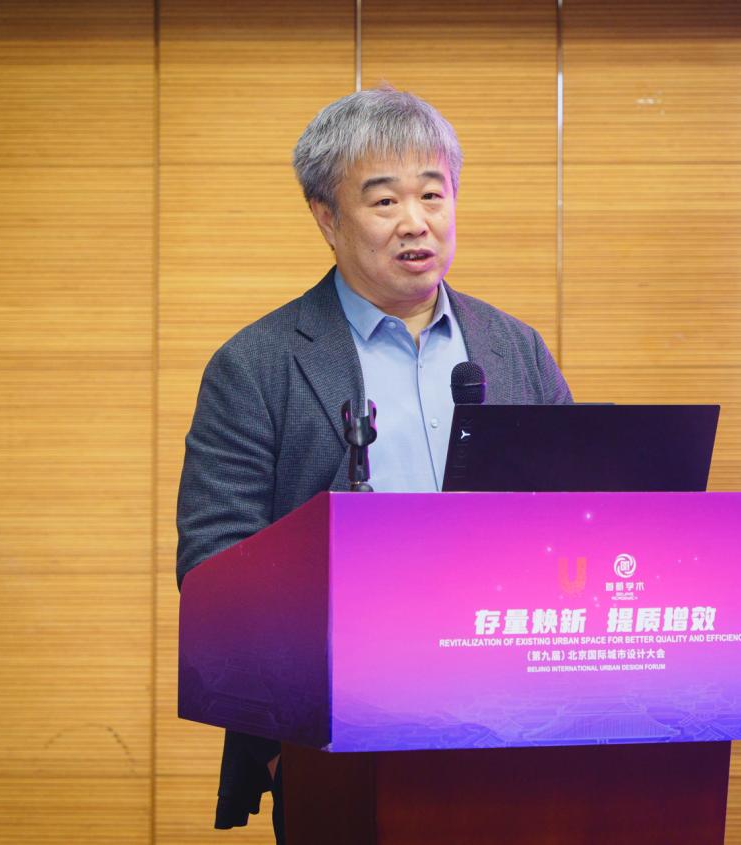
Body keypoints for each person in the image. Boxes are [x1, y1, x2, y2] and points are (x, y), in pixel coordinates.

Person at [175, 86, 572, 842]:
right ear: (327, 218)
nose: (415, 221)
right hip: (341, 730)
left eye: (433, 193)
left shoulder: (514, 349)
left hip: (517, 718)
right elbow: (214, 564)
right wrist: (286, 744)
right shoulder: (257, 365)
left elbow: (578, 518)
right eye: (385, 200)